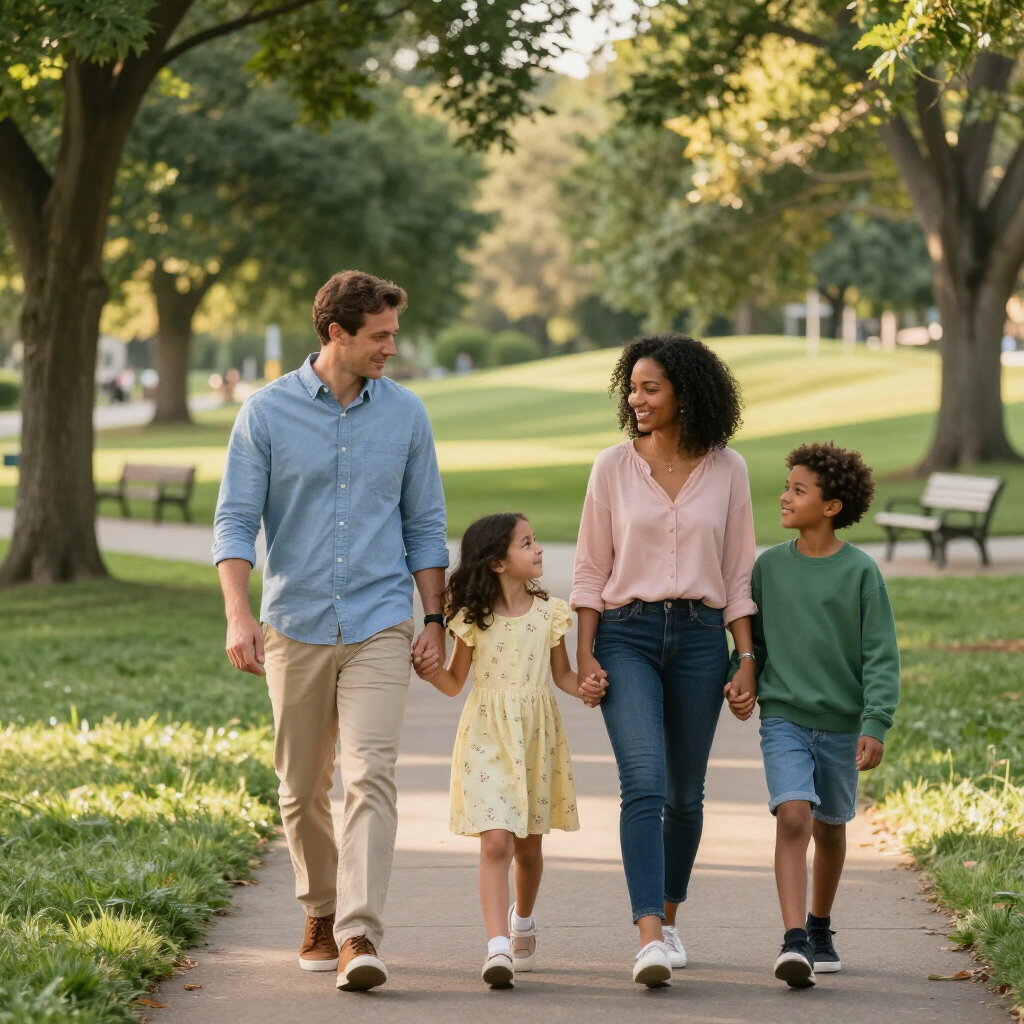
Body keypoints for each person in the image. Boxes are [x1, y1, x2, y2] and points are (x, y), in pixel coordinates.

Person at [212, 270, 449, 992]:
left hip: (380, 619)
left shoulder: (406, 415)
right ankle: (319, 906)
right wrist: (238, 613)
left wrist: (433, 617)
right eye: (379, 337)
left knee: (371, 772)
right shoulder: (265, 413)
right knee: (300, 785)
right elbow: (235, 520)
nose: (391, 349)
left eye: (394, 336)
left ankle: (357, 931)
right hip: (296, 622)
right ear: (336, 334)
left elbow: (426, 525)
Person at [571, 334, 758, 987]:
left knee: (685, 794)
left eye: (651, 388)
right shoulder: (611, 467)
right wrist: (584, 654)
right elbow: (591, 571)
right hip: (627, 635)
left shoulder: (728, 469)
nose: (636, 398)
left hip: (704, 640)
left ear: (686, 392)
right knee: (644, 782)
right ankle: (649, 934)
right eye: (633, 387)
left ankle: (670, 919)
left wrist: (746, 659)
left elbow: (738, 575)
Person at [731, 442, 900, 989]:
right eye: (788, 486)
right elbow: (749, 643)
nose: (785, 496)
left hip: (841, 724)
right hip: (783, 716)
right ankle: (793, 939)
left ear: (831, 506)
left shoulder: (860, 572)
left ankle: (820, 925)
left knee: (830, 828)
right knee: (794, 816)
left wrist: (876, 722)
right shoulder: (769, 567)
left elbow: (880, 653)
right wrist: (740, 675)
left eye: (799, 490)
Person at [413, 512, 607, 988]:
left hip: (536, 734)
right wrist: (429, 672)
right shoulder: (471, 619)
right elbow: (455, 682)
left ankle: (523, 921)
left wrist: (586, 686)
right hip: (487, 736)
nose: (538, 549)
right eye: (527, 543)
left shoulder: (550, 613)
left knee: (529, 846)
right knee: (496, 841)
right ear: (498, 563)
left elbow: (561, 674)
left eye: (535, 541)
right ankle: (497, 944)